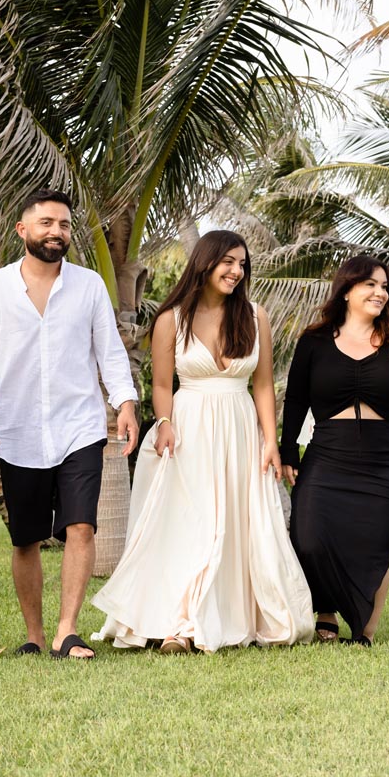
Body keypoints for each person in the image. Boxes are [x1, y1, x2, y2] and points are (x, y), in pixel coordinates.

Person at [92, 230, 313, 653]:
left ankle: (234, 615)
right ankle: (179, 625)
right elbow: (160, 383)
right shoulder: (171, 319)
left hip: (240, 426)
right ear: (206, 262)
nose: (236, 270)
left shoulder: (255, 316)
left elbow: (263, 385)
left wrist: (271, 439)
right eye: (228, 261)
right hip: (189, 428)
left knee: (238, 521)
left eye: (242, 264)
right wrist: (165, 421)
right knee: (190, 523)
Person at [0, 189, 139, 660]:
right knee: (25, 538)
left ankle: (67, 632)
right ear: (23, 230)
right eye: (46, 223)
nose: (56, 232)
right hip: (15, 430)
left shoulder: (87, 287)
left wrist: (125, 403)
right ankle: (35, 636)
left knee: (81, 527)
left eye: (63, 225)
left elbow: (109, 351)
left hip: (80, 426)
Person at [281, 255, 389, 646]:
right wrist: (287, 451)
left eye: (385, 287)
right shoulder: (313, 341)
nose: (380, 293)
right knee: (310, 538)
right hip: (327, 454)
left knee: (375, 547)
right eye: (371, 285)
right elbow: (295, 400)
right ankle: (325, 610)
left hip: (385, 461)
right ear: (347, 289)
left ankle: (364, 631)